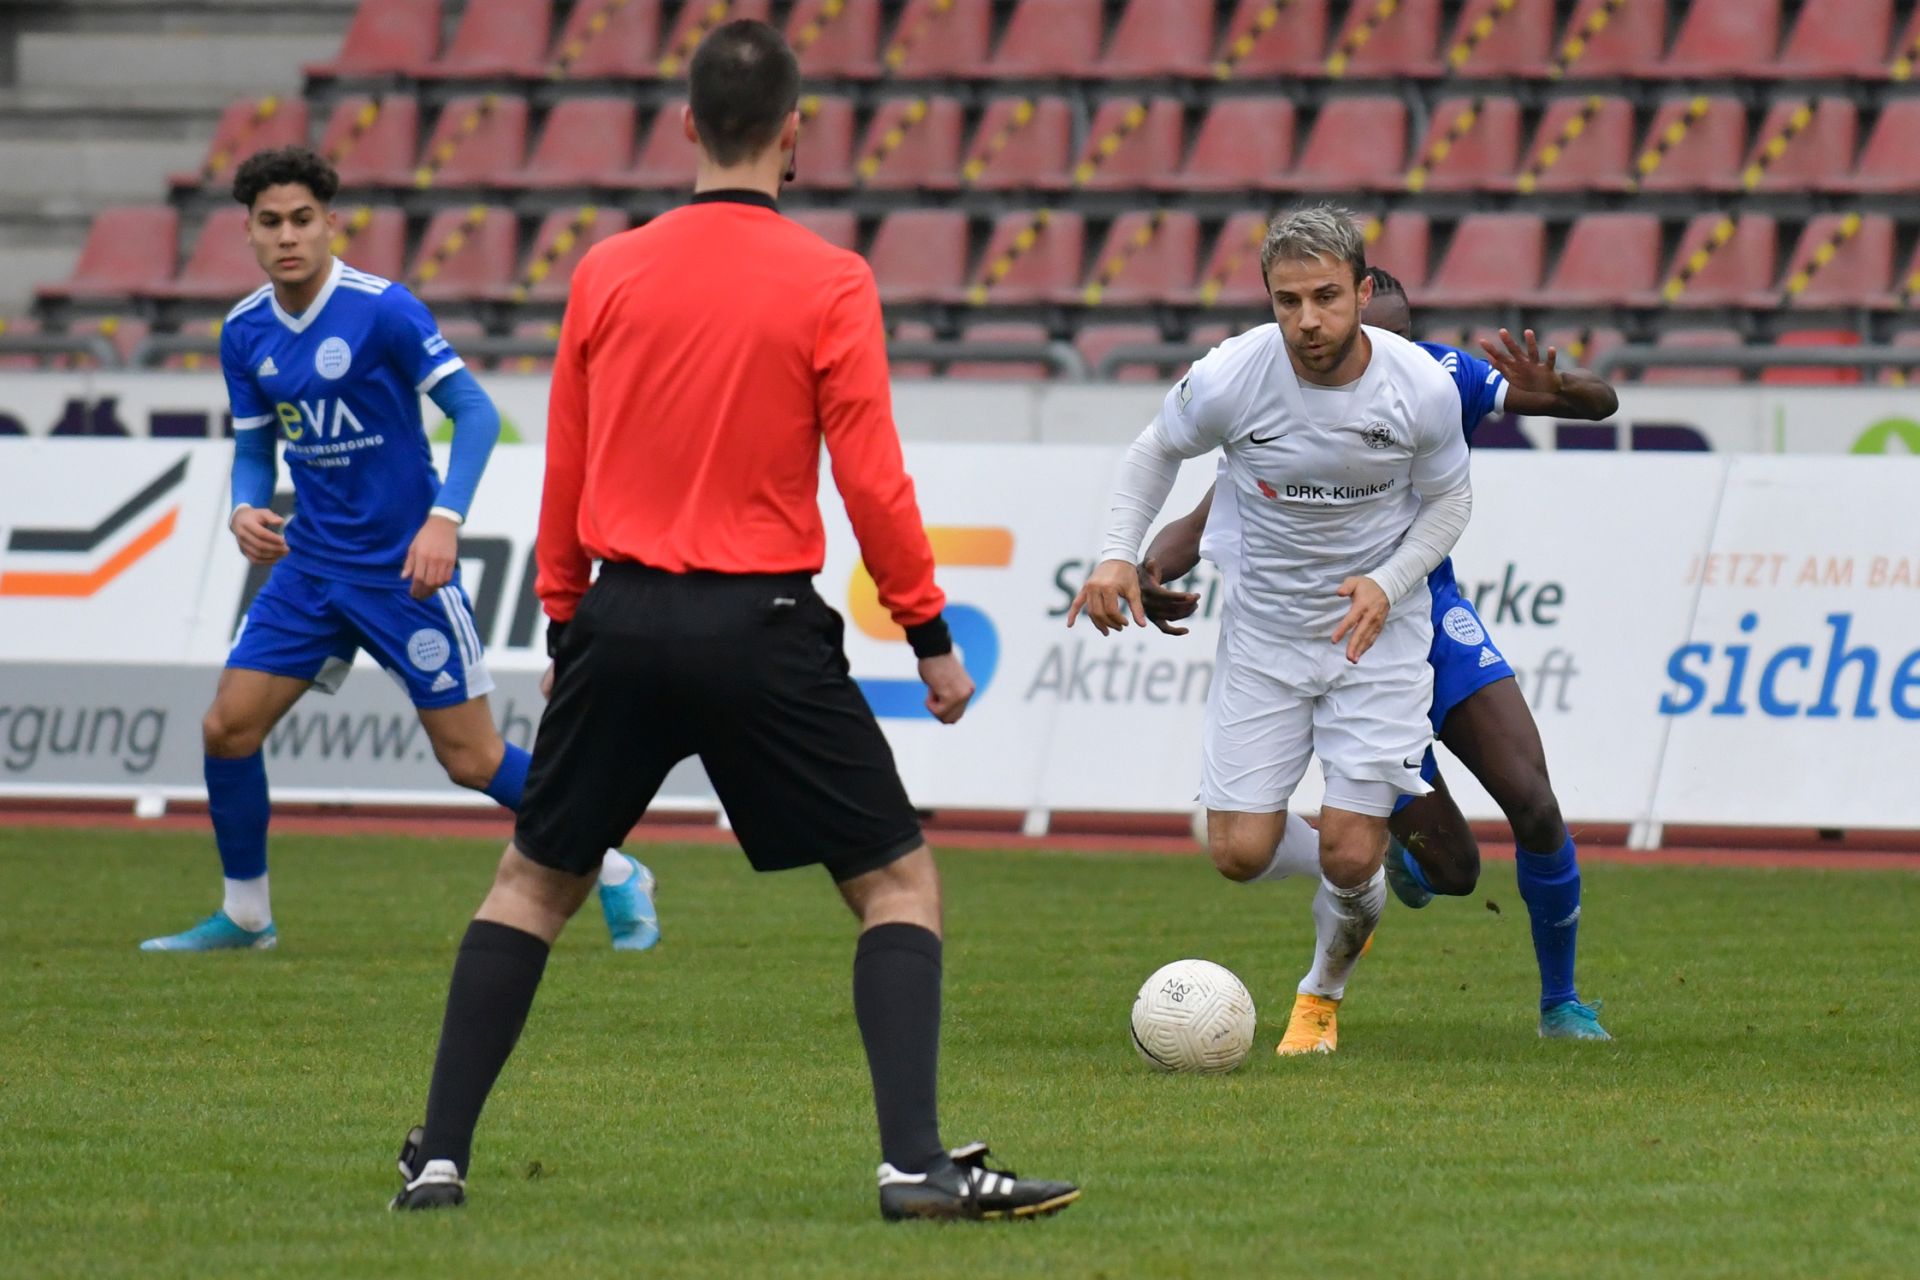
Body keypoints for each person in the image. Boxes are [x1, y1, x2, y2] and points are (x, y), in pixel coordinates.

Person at [388, 22, 1077, 1221]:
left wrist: (566, 623)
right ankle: (913, 1163)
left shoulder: (608, 269)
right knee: (898, 884)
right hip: (760, 626)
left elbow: (569, 466)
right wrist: (927, 632)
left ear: (689, 127)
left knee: (530, 884)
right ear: (796, 129)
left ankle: (438, 1156)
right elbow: (873, 480)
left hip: (622, 612)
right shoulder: (830, 279)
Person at [138, 147, 658, 955]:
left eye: (303, 220)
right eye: (270, 222)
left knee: (473, 758)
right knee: (226, 728)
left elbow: (475, 413)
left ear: (330, 223)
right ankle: (246, 915)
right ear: (246, 231)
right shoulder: (244, 331)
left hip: (401, 573)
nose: (288, 237)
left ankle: (620, 869)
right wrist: (245, 504)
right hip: (308, 569)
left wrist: (445, 518)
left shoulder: (383, 311)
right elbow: (252, 448)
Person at [1138, 268, 1615, 1041]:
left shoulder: (1434, 378)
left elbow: (1600, 405)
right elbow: (1204, 512)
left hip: (1426, 618)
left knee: (1534, 801)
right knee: (1455, 873)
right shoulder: (1282, 401)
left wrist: (1560, 387)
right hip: (1333, 643)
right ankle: (1367, 864)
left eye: (1394, 337)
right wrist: (1150, 567)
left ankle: (1561, 1002)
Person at [1069, 207, 1473, 1057]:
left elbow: (1451, 501)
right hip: (1265, 635)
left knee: (1353, 854)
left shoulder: (1419, 387)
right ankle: (1341, 863)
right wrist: (1115, 555)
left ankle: (1320, 996)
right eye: (1287, 301)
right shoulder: (1232, 376)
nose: (1307, 321)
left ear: (1364, 292)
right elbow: (1153, 453)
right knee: (1239, 853)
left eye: (1327, 297)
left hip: (1377, 638)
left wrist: (1390, 581)